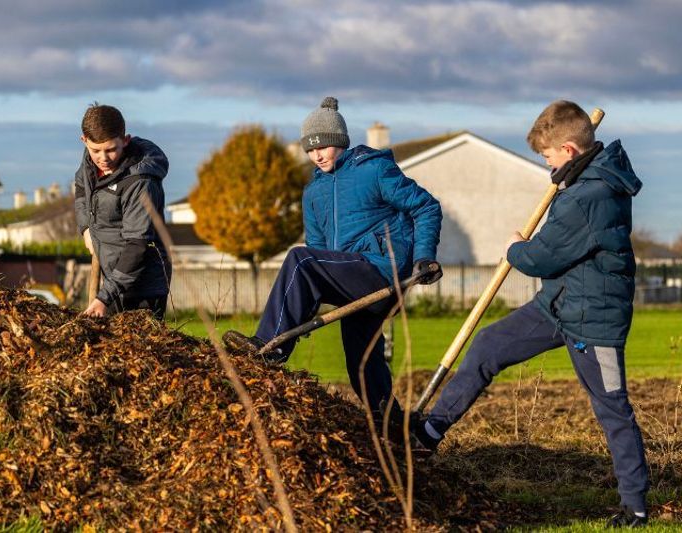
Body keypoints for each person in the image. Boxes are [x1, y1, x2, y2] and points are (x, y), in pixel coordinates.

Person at [410, 101, 649, 527]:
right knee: (488, 346)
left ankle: (634, 505)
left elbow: (540, 257)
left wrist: (515, 247)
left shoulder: (591, 196)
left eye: (548, 156)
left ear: (571, 150)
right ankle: (427, 435)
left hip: (594, 320)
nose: (546, 165)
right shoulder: (579, 184)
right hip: (557, 303)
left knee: (612, 408)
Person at [225, 96, 443, 420]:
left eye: (323, 146)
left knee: (299, 259)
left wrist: (423, 257)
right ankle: (396, 429)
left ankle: (268, 347)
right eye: (310, 150)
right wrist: (305, 306)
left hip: (381, 270)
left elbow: (426, 207)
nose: (317, 155)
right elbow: (318, 250)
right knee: (362, 364)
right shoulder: (313, 193)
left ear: (339, 141)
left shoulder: (374, 170)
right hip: (350, 278)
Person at [74, 103, 171, 320]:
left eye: (111, 149)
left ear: (125, 140)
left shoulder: (139, 181)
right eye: (96, 150)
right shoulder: (90, 163)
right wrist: (86, 229)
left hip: (142, 288)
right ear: (84, 141)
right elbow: (81, 187)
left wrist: (104, 297)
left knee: (139, 351)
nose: (103, 158)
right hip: (111, 277)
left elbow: (137, 245)